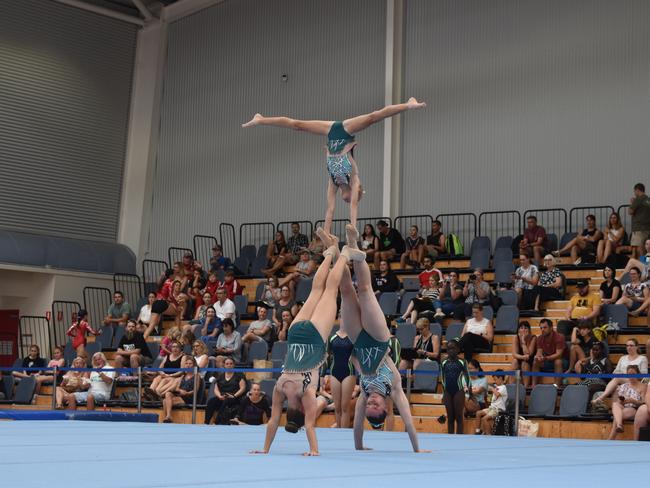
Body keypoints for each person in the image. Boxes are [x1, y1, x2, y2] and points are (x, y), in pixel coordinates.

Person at [242, 98, 426, 233]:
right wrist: (352, 227)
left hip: (331, 133)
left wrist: (326, 232)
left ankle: (260, 120)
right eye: (350, 198)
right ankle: (260, 119)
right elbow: (354, 207)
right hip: (345, 130)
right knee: (372, 117)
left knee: (298, 125)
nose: (346, 200)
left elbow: (329, 209)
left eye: (345, 199)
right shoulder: (354, 178)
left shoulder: (333, 182)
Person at [251, 233, 355, 456]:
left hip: (315, 336)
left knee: (329, 291)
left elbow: (309, 425)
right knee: (316, 291)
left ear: (302, 410)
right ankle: (328, 255)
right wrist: (264, 449)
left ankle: (343, 254)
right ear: (291, 411)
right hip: (295, 334)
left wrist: (314, 451)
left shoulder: (307, 393)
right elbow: (274, 421)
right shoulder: (280, 388)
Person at [334, 226, 427, 452]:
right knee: (365, 290)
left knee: (346, 293)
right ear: (386, 406)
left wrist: (359, 447)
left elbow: (357, 425)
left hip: (359, 340)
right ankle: (355, 246)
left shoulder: (365, 393)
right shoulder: (394, 387)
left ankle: (337, 252)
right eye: (377, 405)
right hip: (378, 338)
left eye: (370, 406)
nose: (373, 402)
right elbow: (408, 421)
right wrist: (417, 449)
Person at [594, 338, 648, 405]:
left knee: (617, 379)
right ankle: (614, 409)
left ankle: (601, 398)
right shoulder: (623, 358)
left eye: (631, 345)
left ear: (636, 347)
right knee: (616, 386)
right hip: (622, 382)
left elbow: (643, 375)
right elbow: (615, 372)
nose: (629, 347)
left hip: (636, 381)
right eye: (627, 346)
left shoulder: (642, 358)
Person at [440, 340, 472, 434]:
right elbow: (442, 378)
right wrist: (443, 393)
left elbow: (467, 377)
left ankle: (459, 438)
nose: (450, 351)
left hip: (459, 391)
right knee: (450, 417)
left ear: (458, 349)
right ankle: (450, 438)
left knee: (458, 417)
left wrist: (469, 392)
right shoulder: (443, 362)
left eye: (453, 348)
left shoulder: (462, 361)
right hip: (447, 392)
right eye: (448, 349)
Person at [607, 365, 647, 440]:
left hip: (634, 408)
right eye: (629, 374)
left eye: (633, 374)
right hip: (623, 406)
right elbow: (617, 401)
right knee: (615, 404)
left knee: (618, 415)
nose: (631, 376)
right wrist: (622, 400)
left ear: (638, 374)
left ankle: (611, 437)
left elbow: (644, 402)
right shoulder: (623, 386)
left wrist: (633, 401)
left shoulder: (643, 386)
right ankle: (619, 425)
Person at [326, 329, 356, 428]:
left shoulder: (354, 336)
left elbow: (358, 356)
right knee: (337, 407)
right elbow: (326, 356)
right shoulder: (332, 337)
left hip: (349, 372)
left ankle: (344, 434)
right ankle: (338, 432)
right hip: (334, 372)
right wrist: (323, 375)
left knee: (345, 407)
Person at [205, 356, 247, 425]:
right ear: (224, 365)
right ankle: (206, 422)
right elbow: (216, 389)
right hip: (222, 397)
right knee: (211, 401)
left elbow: (243, 388)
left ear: (233, 365)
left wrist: (234, 395)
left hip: (235, 397)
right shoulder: (220, 376)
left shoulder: (239, 375)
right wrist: (219, 396)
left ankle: (216, 422)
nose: (229, 365)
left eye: (231, 364)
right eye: (227, 364)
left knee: (226, 401)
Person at [162, 355, 202, 423]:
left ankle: (168, 417)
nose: (188, 365)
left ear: (194, 365)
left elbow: (196, 390)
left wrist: (187, 393)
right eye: (186, 363)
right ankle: (168, 417)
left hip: (189, 397)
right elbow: (177, 387)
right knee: (168, 394)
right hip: (180, 395)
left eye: (190, 363)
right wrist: (179, 390)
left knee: (165, 401)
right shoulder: (183, 376)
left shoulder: (197, 376)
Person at [531, 319, 566, 386]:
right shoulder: (540, 338)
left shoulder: (559, 337)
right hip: (548, 360)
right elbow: (539, 352)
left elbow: (559, 354)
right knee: (536, 361)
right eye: (541, 328)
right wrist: (538, 357)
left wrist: (545, 358)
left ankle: (556, 387)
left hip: (562, 361)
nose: (542, 330)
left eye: (545, 327)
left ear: (551, 328)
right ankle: (534, 386)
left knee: (557, 361)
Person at [475, 371, 508, 435]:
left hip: (498, 409)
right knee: (478, 413)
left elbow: (497, 394)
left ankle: (488, 435)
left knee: (485, 419)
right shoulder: (496, 387)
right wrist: (488, 395)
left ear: (500, 378)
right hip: (491, 408)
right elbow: (491, 400)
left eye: (495, 379)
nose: (495, 381)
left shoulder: (503, 387)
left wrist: (492, 389)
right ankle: (477, 431)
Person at [510, 321, 537, 387]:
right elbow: (514, 354)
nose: (523, 330)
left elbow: (529, 353)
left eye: (525, 328)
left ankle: (525, 387)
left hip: (530, 360)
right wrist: (523, 357)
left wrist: (523, 342)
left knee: (524, 363)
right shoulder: (516, 337)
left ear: (529, 330)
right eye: (521, 328)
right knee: (514, 361)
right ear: (518, 330)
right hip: (521, 358)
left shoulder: (533, 337)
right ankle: (511, 386)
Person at [628, 182, 650, 259]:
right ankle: (645, 265)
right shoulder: (648, 200)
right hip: (647, 228)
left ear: (637, 190)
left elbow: (630, 211)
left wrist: (632, 203)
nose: (634, 193)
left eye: (634, 191)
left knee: (640, 249)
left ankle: (643, 266)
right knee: (646, 248)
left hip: (639, 228)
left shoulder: (638, 199)